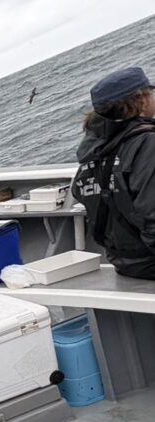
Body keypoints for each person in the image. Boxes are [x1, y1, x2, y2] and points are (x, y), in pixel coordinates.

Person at [72, 66, 155, 279]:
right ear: (141, 101)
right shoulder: (147, 144)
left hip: (124, 262)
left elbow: (78, 191)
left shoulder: (96, 149)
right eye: (151, 91)